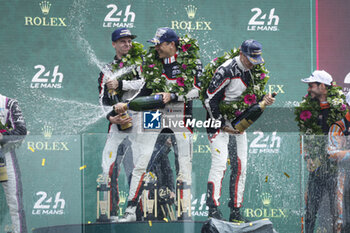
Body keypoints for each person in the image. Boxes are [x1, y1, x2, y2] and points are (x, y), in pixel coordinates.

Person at [114, 27, 203, 222]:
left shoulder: (191, 62)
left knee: (184, 165)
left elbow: (198, 90)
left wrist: (173, 96)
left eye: (159, 44)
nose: (156, 48)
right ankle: (130, 210)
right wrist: (127, 105)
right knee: (142, 161)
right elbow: (144, 91)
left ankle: (183, 212)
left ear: (171, 44)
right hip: (154, 116)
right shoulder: (154, 62)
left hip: (181, 117)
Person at [204, 40, 275, 222]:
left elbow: (252, 97)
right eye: (250, 59)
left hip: (238, 123)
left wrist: (264, 100)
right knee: (220, 163)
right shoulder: (226, 70)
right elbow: (209, 99)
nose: (253, 63)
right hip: (217, 120)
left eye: (256, 59)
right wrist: (221, 124)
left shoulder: (256, 70)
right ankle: (213, 209)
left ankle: (235, 210)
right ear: (242, 54)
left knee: (241, 165)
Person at [97, 28, 144, 219]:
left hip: (140, 122)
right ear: (114, 44)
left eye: (129, 41)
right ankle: (112, 212)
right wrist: (111, 117)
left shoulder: (141, 64)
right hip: (118, 124)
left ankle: (137, 212)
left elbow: (146, 85)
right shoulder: (107, 70)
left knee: (139, 166)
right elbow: (102, 99)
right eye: (122, 41)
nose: (127, 45)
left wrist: (121, 85)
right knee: (108, 166)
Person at [300, 70, 340, 233]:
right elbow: (306, 136)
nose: (309, 89)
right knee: (310, 212)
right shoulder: (308, 109)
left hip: (337, 170)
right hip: (315, 169)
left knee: (339, 212)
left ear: (322, 86)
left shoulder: (340, 108)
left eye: (311, 85)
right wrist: (308, 156)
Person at [0, 94, 27, 233]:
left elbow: (21, 132)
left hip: (5, 155)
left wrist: (2, 137)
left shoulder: (8, 103)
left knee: (15, 204)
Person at [328, 92, 350, 232]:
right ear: (348, 106)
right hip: (346, 176)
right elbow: (332, 152)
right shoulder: (339, 127)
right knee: (345, 221)